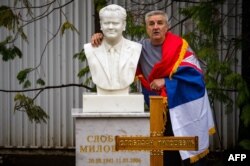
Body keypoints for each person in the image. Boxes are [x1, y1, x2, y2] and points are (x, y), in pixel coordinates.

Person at [91, 10, 215, 166]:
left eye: (160, 23)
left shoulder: (180, 46)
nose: (155, 27)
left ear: (166, 27)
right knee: (167, 152)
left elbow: (195, 78)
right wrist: (101, 39)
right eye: (151, 24)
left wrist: (166, 82)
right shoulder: (138, 49)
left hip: (185, 107)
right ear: (146, 28)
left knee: (191, 153)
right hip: (159, 110)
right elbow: (116, 51)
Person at [84, 4, 142, 95]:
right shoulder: (90, 49)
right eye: (106, 23)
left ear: (124, 25)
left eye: (115, 23)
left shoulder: (135, 49)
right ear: (101, 25)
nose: (110, 27)